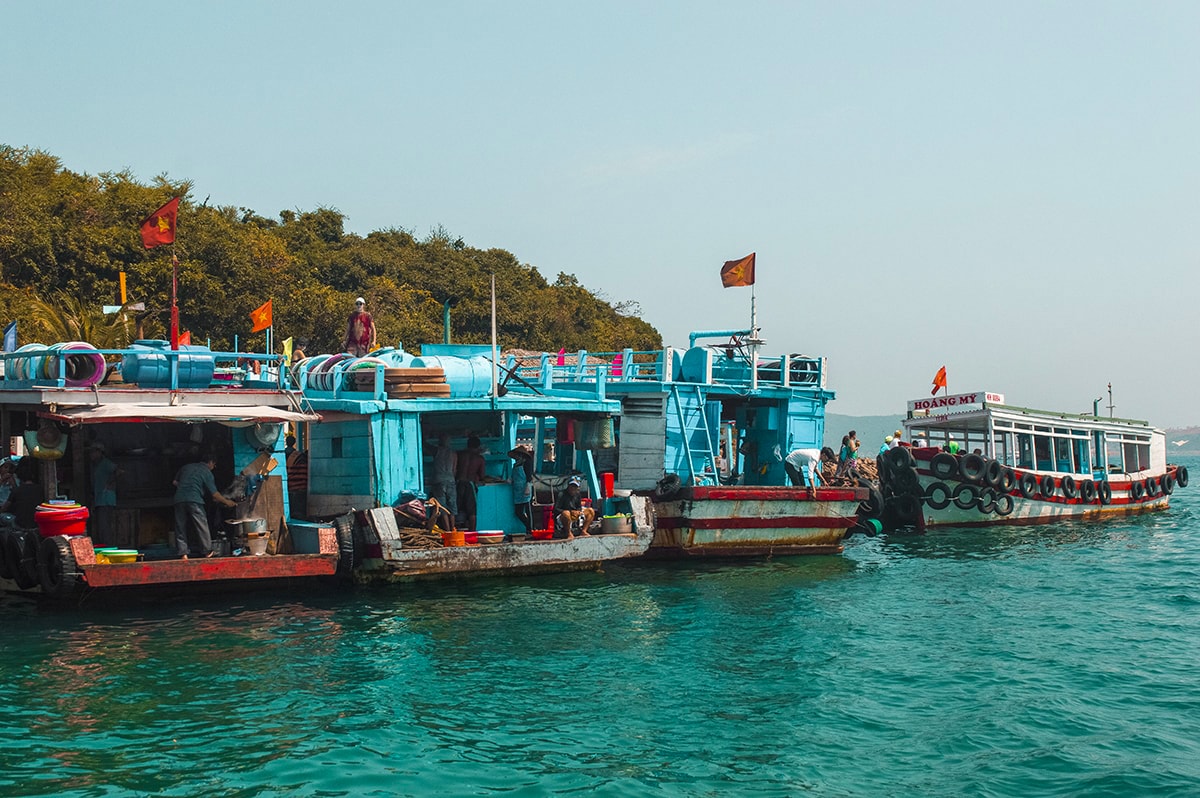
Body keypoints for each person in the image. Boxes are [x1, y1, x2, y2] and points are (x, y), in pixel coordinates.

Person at [172, 453, 237, 559]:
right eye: (214, 465)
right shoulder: (206, 472)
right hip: (194, 500)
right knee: (201, 525)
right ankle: (207, 551)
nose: (213, 468)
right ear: (211, 462)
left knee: (180, 526)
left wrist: (186, 487)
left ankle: (183, 553)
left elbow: (175, 482)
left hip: (179, 499)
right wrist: (227, 502)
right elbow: (215, 494)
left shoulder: (186, 467)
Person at [89, 443, 121, 546]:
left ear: (99, 453)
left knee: (105, 527)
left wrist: (110, 483)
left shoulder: (106, 463)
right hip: (99, 499)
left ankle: (108, 547)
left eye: (93, 452)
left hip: (106, 499)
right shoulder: (96, 465)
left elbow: (119, 471)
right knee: (102, 527)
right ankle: (105, 545)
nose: (91, 455)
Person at [2, 458, 43, 529]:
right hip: (35, 523)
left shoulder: (17, 490)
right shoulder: (40, 489)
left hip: (19, 523)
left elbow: (4, 508)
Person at [455, 436, 486, 531]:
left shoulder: (459, 454)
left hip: (458, 483)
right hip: (470, 484)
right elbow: (482, 476)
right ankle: (472, 533)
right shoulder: (479, 458)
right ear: (478, 446)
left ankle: (455, 532)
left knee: (456, 510)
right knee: (472, 512)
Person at [429, 433, 458, 520]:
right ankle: (453, 528)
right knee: (452, 506)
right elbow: (454, 470)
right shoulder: (454, 453)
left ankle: (447, 529)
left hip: (439, 481)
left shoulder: (436, 450)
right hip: (451, 481)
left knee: (442, 506)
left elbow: (425, 446)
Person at [510, 447, 534, 536]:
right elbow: (513, 476)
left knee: (528, 510)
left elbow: (529, 476)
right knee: (518, 512)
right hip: (517, 490)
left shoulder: (527, 462)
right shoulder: (516, 465)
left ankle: (530, 529)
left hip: (525, 488)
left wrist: (527, 486)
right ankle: (528, 526)